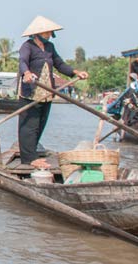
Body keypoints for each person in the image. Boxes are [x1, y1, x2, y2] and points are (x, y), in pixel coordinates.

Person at [16, 16, 88, 169]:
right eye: (47, 32)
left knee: (41, 123)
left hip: (46, 92)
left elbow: (60, 64)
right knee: (29, 125)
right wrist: (27, 74)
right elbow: (22, 62)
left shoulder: (50, 47)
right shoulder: (27, 46)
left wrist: (76, 72)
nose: (49, 35)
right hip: (31, 92)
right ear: (38, 33)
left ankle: (33, 153)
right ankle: (29, 159)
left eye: (50, 32)